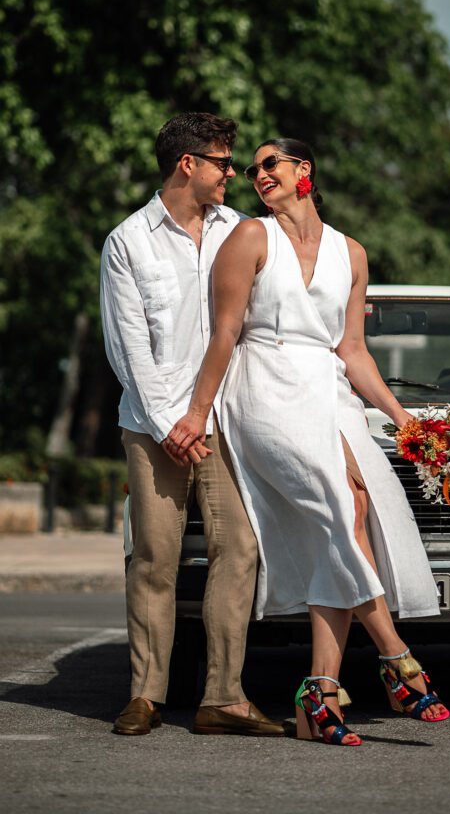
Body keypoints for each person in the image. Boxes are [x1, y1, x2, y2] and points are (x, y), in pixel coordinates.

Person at [166, 138, 450, 747]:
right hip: (263, 387)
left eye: (271, 163)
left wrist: (406, 423)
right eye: (251, 169)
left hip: (327, 390)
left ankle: (318, 696)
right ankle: (398, 657)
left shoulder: (352, 252)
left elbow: (352, 351)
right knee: (338, 506)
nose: (258, 174)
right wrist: (197, 411)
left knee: (355, 510)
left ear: (304, 171)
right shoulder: (249, 239)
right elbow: (224, 333)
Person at [100, 112, 285, 738]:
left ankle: (222, 697)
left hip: (228, 420)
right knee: (155, 557)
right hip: (154, 430)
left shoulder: (243, 230)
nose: (234, 173)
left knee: (241, 549)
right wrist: (171, 425)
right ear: (189, 165)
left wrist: (202, 418)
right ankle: (146, 695)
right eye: (223, 162)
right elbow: (128, 350)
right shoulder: (128, 241)